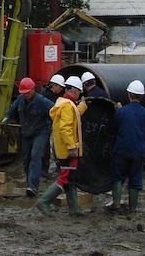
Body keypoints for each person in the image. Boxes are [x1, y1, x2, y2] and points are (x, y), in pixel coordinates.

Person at [36, 75, 87, 216]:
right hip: (67, 150)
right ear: (76, 91)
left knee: (70, 178)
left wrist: (81, 108)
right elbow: (66, 127)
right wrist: (71, 146)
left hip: (62, 149)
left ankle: (74, 208)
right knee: (65, 177)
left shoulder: (64, 103)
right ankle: (44, 201)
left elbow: (71, 117)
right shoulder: (67, 106)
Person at [108, 80, 145, 214]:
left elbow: (113, 129)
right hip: (138, 151)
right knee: (135, 180)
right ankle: (132, 208)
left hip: (121, 149)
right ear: (142, 96)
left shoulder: (121, 112)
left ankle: (116, 203)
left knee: (117, 176)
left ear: (129, 95)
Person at [2, 77, 54, 197]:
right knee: (26, 160)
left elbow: (55, 109)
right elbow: (12, 110)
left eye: (27, 93)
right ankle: (29, 183)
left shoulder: (42, 101)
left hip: (41, 131)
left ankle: (33, 186)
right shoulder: (20, 100)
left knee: (35, 155)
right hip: (27, 133)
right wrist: (6, 117)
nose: (25, 95)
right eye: (23, 93)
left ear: (33, 90)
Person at [42, 74, 66, 176]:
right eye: (60, 87)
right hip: (48, 126)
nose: (61, 90)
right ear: (54, 86)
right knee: (49, 148)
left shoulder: (53, 96)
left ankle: (46, 170)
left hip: (50, 125)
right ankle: (45, 170)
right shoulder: (48, 97)